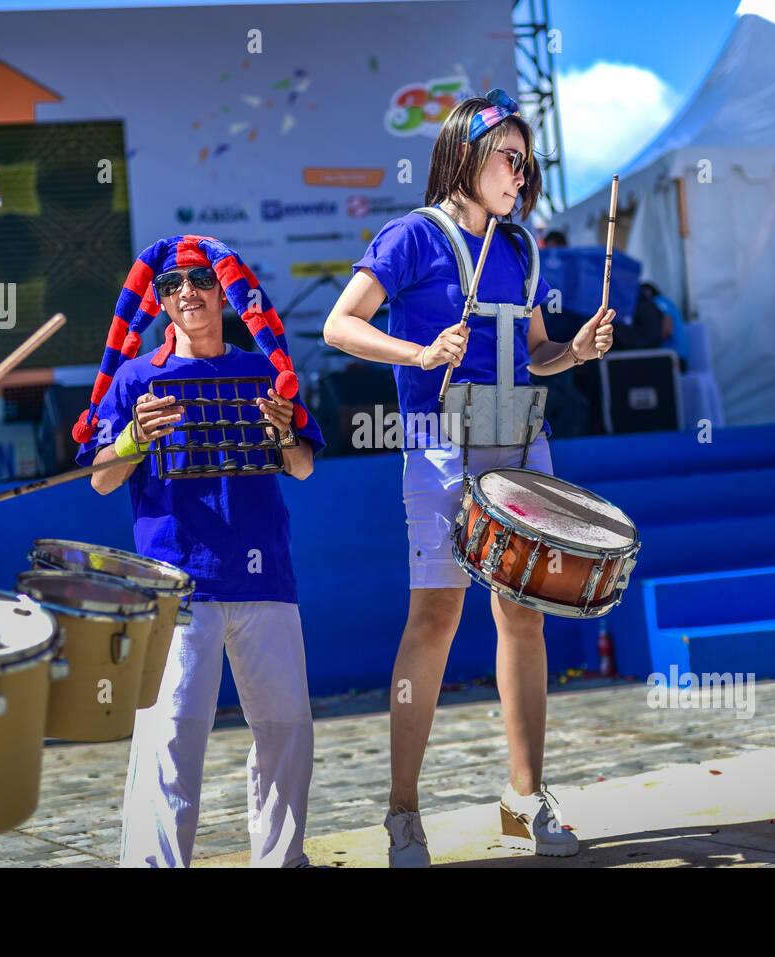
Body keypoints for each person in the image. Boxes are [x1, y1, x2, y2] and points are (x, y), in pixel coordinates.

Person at [323, 89, 614, 865]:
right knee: (435, 621)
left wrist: (577, 350)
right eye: (507, 158)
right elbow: (339, 324)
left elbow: (541, 352)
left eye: (526, 161)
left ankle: (524, 797)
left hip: (520, 435)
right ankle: (403, 810)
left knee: (525, 617)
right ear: (464, 156)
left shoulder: (521, 249)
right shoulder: (412, 236)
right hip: (442, 436)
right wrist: (418, 355)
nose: (520, 174)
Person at [73, 234, 324, 868]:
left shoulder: (267, 369)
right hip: (177, 585)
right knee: (172, 740)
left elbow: (302, 468)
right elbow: (101, 477)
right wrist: (131, 439)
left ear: (227, 293)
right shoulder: (136, 378)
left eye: (200, 280)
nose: (186, 293)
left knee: (287, 730)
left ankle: (282, 861)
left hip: (266, 576)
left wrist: (283, 430)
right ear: (157, 302)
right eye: (170, 286)